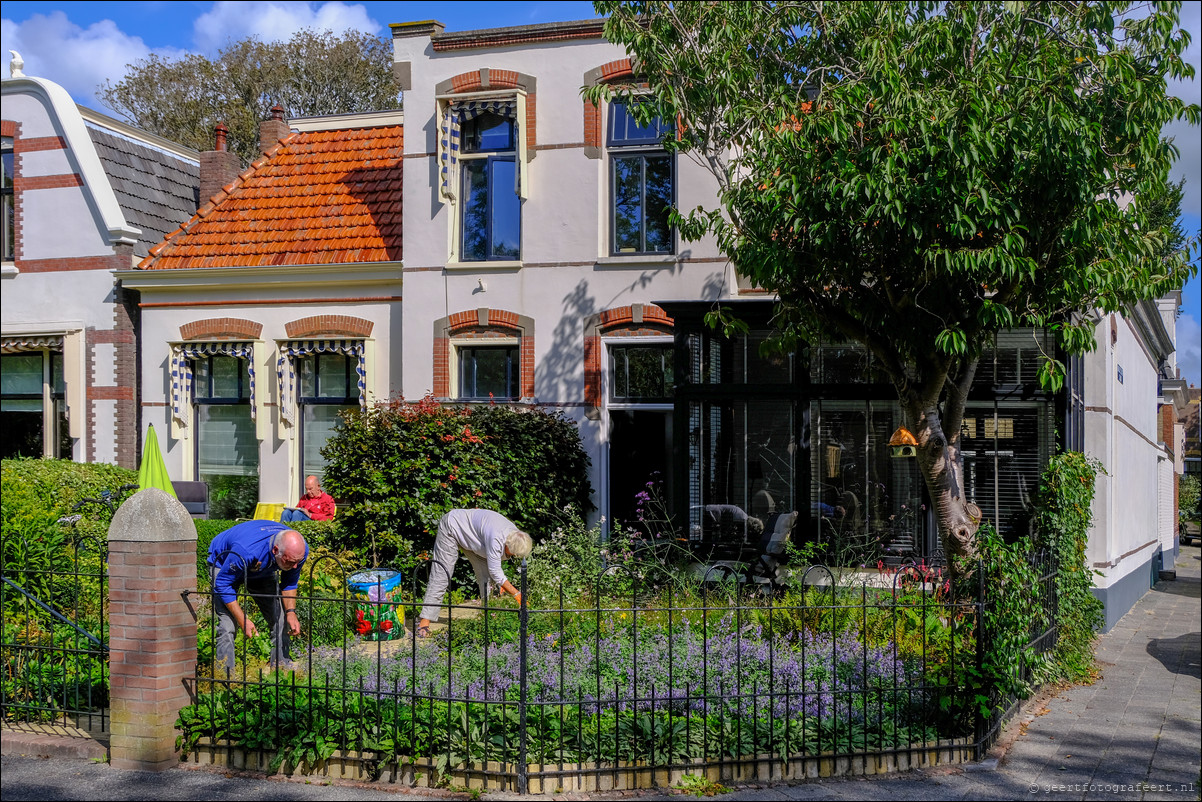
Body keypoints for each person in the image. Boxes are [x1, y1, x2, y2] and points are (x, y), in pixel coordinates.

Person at [206, 520, 309, 673]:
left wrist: (291, 613)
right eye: (290, 562)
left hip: (260, 567)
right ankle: (225, 677)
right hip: (225, 564)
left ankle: (280, 668)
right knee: (228, 625)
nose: (294, 566)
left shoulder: (297, 553)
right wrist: (243, 619)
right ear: (275, 550)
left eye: (297, 562)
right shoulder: (247, 550)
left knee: (280, 618)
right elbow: (223, 584)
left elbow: (289, 583)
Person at [416, 509, 533, 637]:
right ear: (507, 544)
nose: (513, 556)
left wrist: (502, 585)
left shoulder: (516, 536)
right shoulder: (496, 537)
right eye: (512, 554)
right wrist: (516, 594)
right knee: (441, 574)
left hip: (475, 539)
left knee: (488, 583)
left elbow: (495, 572)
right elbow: (495, 571)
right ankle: (424, 622)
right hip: (452, 527)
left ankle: (492, 621)